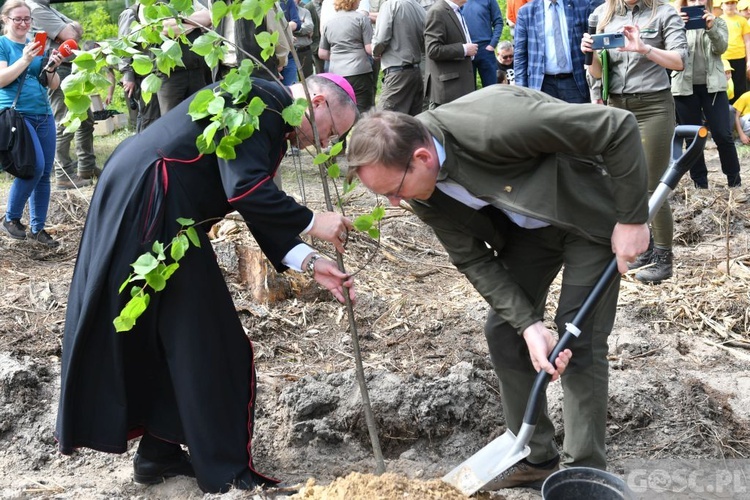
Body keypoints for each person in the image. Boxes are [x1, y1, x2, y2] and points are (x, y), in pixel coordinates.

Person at [55, 74, 358, 494]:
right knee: (212, 344)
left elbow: (246, 191)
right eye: (330, 133)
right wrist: (312, 221)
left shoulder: (258, 99)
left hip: (149, 199)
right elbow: (246, 188)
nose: (324, 144)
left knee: (173, 335)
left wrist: (307, 260)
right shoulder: (262, 102)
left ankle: (159, 455)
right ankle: (225, 472)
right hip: (154, 204)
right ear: (318, 101)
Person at [345, 84, 650, 487]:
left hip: (587, 216)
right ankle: (535, 455)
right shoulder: (419, 188)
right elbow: (472, 257)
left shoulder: (495, 124)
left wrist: (632, 220)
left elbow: (617, 126)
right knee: (505, 329)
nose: (395, 204)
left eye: (394, 191)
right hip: (529, 232)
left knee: (578, 335)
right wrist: (528, 325)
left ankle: (583, 471)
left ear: (422, 157)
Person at [582, 0, 687, 284]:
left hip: (653, 106)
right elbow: (597, 73)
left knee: (653, 183)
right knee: (625, 183)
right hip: (617, 107)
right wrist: (589, 54)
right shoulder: (601, 14)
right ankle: (646, 248)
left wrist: (645, 48)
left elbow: (679, 61)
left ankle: (665, 258)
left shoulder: (664, 13)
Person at [0, 0, 64, 247]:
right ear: (5, 19)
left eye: (28, 19)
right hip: (18, 115)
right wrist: (26, 59)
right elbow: (2, 80)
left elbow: (52, 84)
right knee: (33, 167)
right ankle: (11, 218)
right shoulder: (3, 45)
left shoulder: (34, 45)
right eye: (18, 19)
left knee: (45, 173)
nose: (24, 23)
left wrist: (51, 67)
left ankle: (39, 229)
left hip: (44, 114)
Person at [26, 0, 97, 190]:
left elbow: (75, 32)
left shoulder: (47, 8)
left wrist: (71, 29)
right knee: (64, 121)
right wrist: (70, 28)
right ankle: (63, 174)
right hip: (57, 69)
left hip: (71, 68)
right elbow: (71, 34)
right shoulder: (35, 9)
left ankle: (86, 167)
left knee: (86, 119)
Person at [672, 0, 742, 189]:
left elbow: (721, 48)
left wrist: (711, 28)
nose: (697, 2)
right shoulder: (673, 22)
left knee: (723, 134)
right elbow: (668, 50)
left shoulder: (718, 21)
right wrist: (677, 25)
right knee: (693, 138)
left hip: (714, 87)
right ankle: (700, 185)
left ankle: (734, 182)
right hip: (684, 87)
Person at [515, 0, 591, 103]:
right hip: (542, 85)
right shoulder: (526, 12)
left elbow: (593, 46)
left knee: (579, 119)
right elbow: (520, 55)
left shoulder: (582, 6)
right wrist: (522, 92)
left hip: (576, 83)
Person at [156, 1, 212, 115]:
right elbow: (163, 28)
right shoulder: (155, 4)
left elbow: (208, 17)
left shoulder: (190, 2)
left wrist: (178, 19)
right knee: (171, 118)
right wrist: (195, 23)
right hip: (171, 75)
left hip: (197, 71)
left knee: (200, 115)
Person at [371, 0, 426, 115]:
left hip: (397, 73)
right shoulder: (419, 8)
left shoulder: (390, 5)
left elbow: (381, 39)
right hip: (416, 72)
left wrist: (375, 52)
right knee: (411, 123)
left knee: (383, 122)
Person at [318, 0, 374, 112]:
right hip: (360, 71)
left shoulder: (328, 23)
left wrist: (337, 56)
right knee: (363, 109)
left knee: (342, 109)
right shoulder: (361, 19)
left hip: (337, 73)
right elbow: (369, 48)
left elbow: (322, 53)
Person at [423, 0, 478, 108]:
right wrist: (464, 49)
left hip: (459, 87)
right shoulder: (437, 11)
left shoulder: (456, 11)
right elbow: (433, 50)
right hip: (448, 90)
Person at [118, 1, 161, 132]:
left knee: (156, 116)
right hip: (142, 77)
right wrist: (128, 75)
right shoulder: (131, 13)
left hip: (155, 75)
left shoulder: (154, 10)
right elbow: (124, 46)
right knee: (148, 118)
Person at [461, 0, 504, 87]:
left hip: (486, 49)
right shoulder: (459, 2)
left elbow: (498, 21)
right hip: (466, 50)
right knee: (468, 90)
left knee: (492, 87)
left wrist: (493, 44)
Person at [720, 0, 750, 103]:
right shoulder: (718, 20)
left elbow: (747, 41)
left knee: (740, 87)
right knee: (725, 86)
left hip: (739, 57)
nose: (730, 6)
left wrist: (749, 60)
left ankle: (740, 113)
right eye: (727, 3)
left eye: (732, 3)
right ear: (722, 6)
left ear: (736, 5)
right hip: (723, 58)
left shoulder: (742, 21)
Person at [293, 0, 316, 78]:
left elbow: (309, 27)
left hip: (304, 52)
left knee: (308, 79)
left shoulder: (305, 12)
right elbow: (282, 29)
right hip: (290, 53)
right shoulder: (282, 13)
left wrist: (293, 28)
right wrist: (301, 25)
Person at [305, 0, 326, 74]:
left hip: (328, 45)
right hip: (316, 46)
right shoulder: (309, 7)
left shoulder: (329, 4)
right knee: (320, 72)